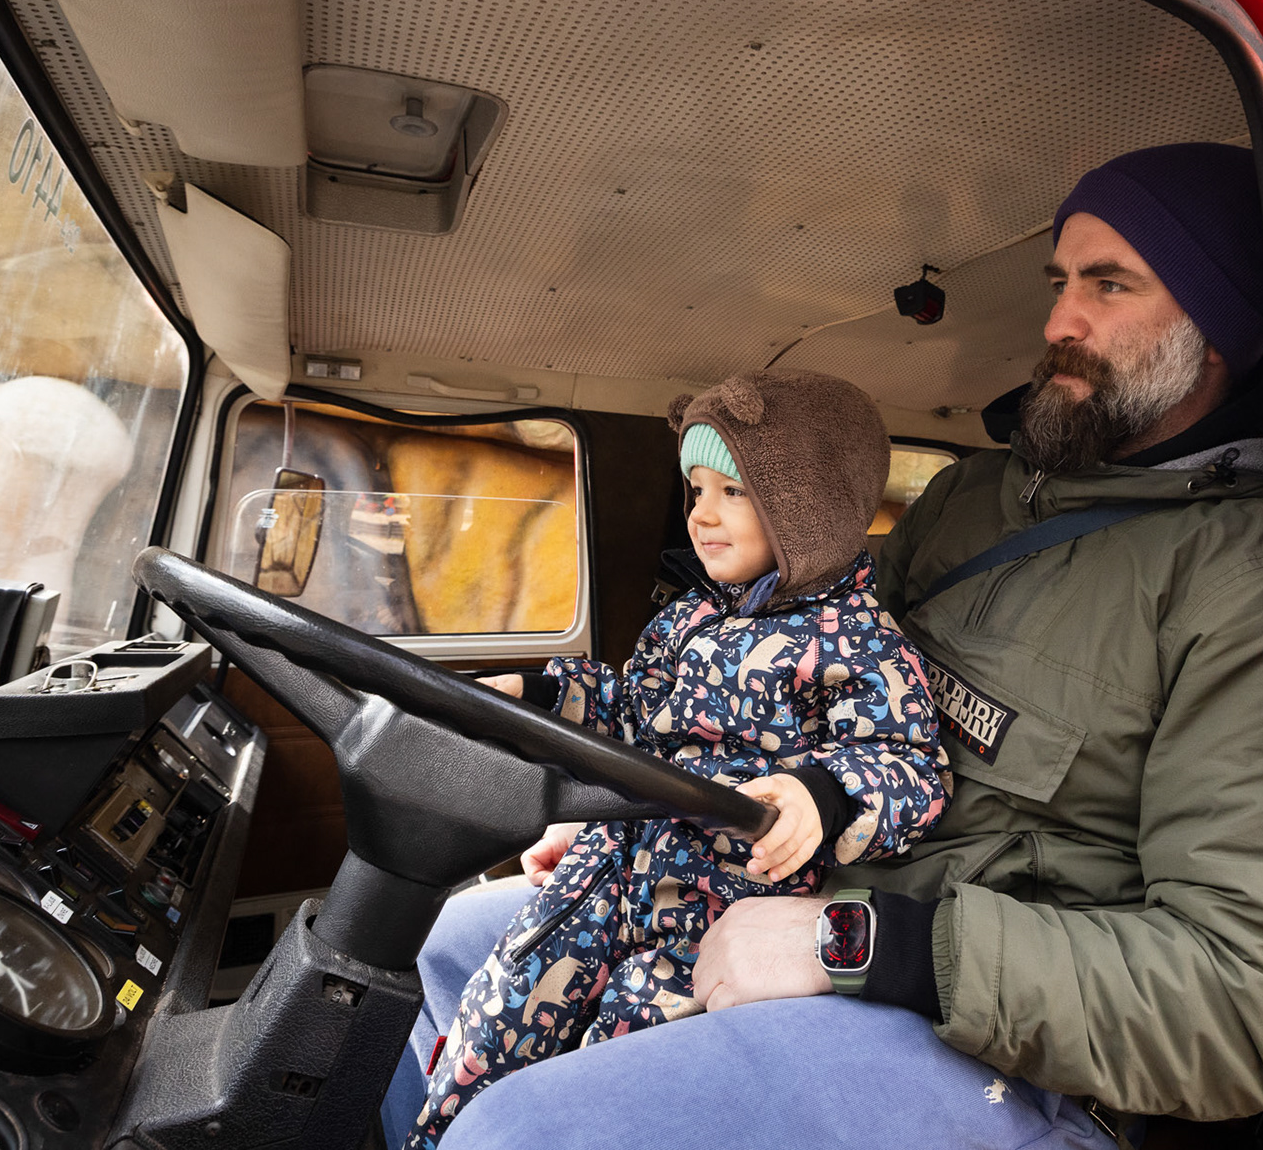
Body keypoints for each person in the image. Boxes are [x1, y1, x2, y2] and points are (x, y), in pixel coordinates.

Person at [379, 142, 1263, 1150]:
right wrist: (654, 828)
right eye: (1060, 283)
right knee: (436, 950)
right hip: (797, 888)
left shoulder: (1247, 578)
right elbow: (807, 691)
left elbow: (1246, 1004)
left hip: (993, 1042)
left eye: (1110, 285)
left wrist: (858, 943)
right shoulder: (973, 500)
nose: (1060, 322)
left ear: (1216, 326)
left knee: (523, 1133)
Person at [403, 369, 952, 1148]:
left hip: (714, 906)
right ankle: (437, 1134)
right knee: (500, 1009)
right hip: (609, 866)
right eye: (696, 489)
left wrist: (820, 794)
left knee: (607, 1072)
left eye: (732, 491)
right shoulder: (688, 618)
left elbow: (905, 766)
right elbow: (631, 708)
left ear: (811, 506)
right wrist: (536, 692)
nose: (701, 513)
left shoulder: (860, 643)